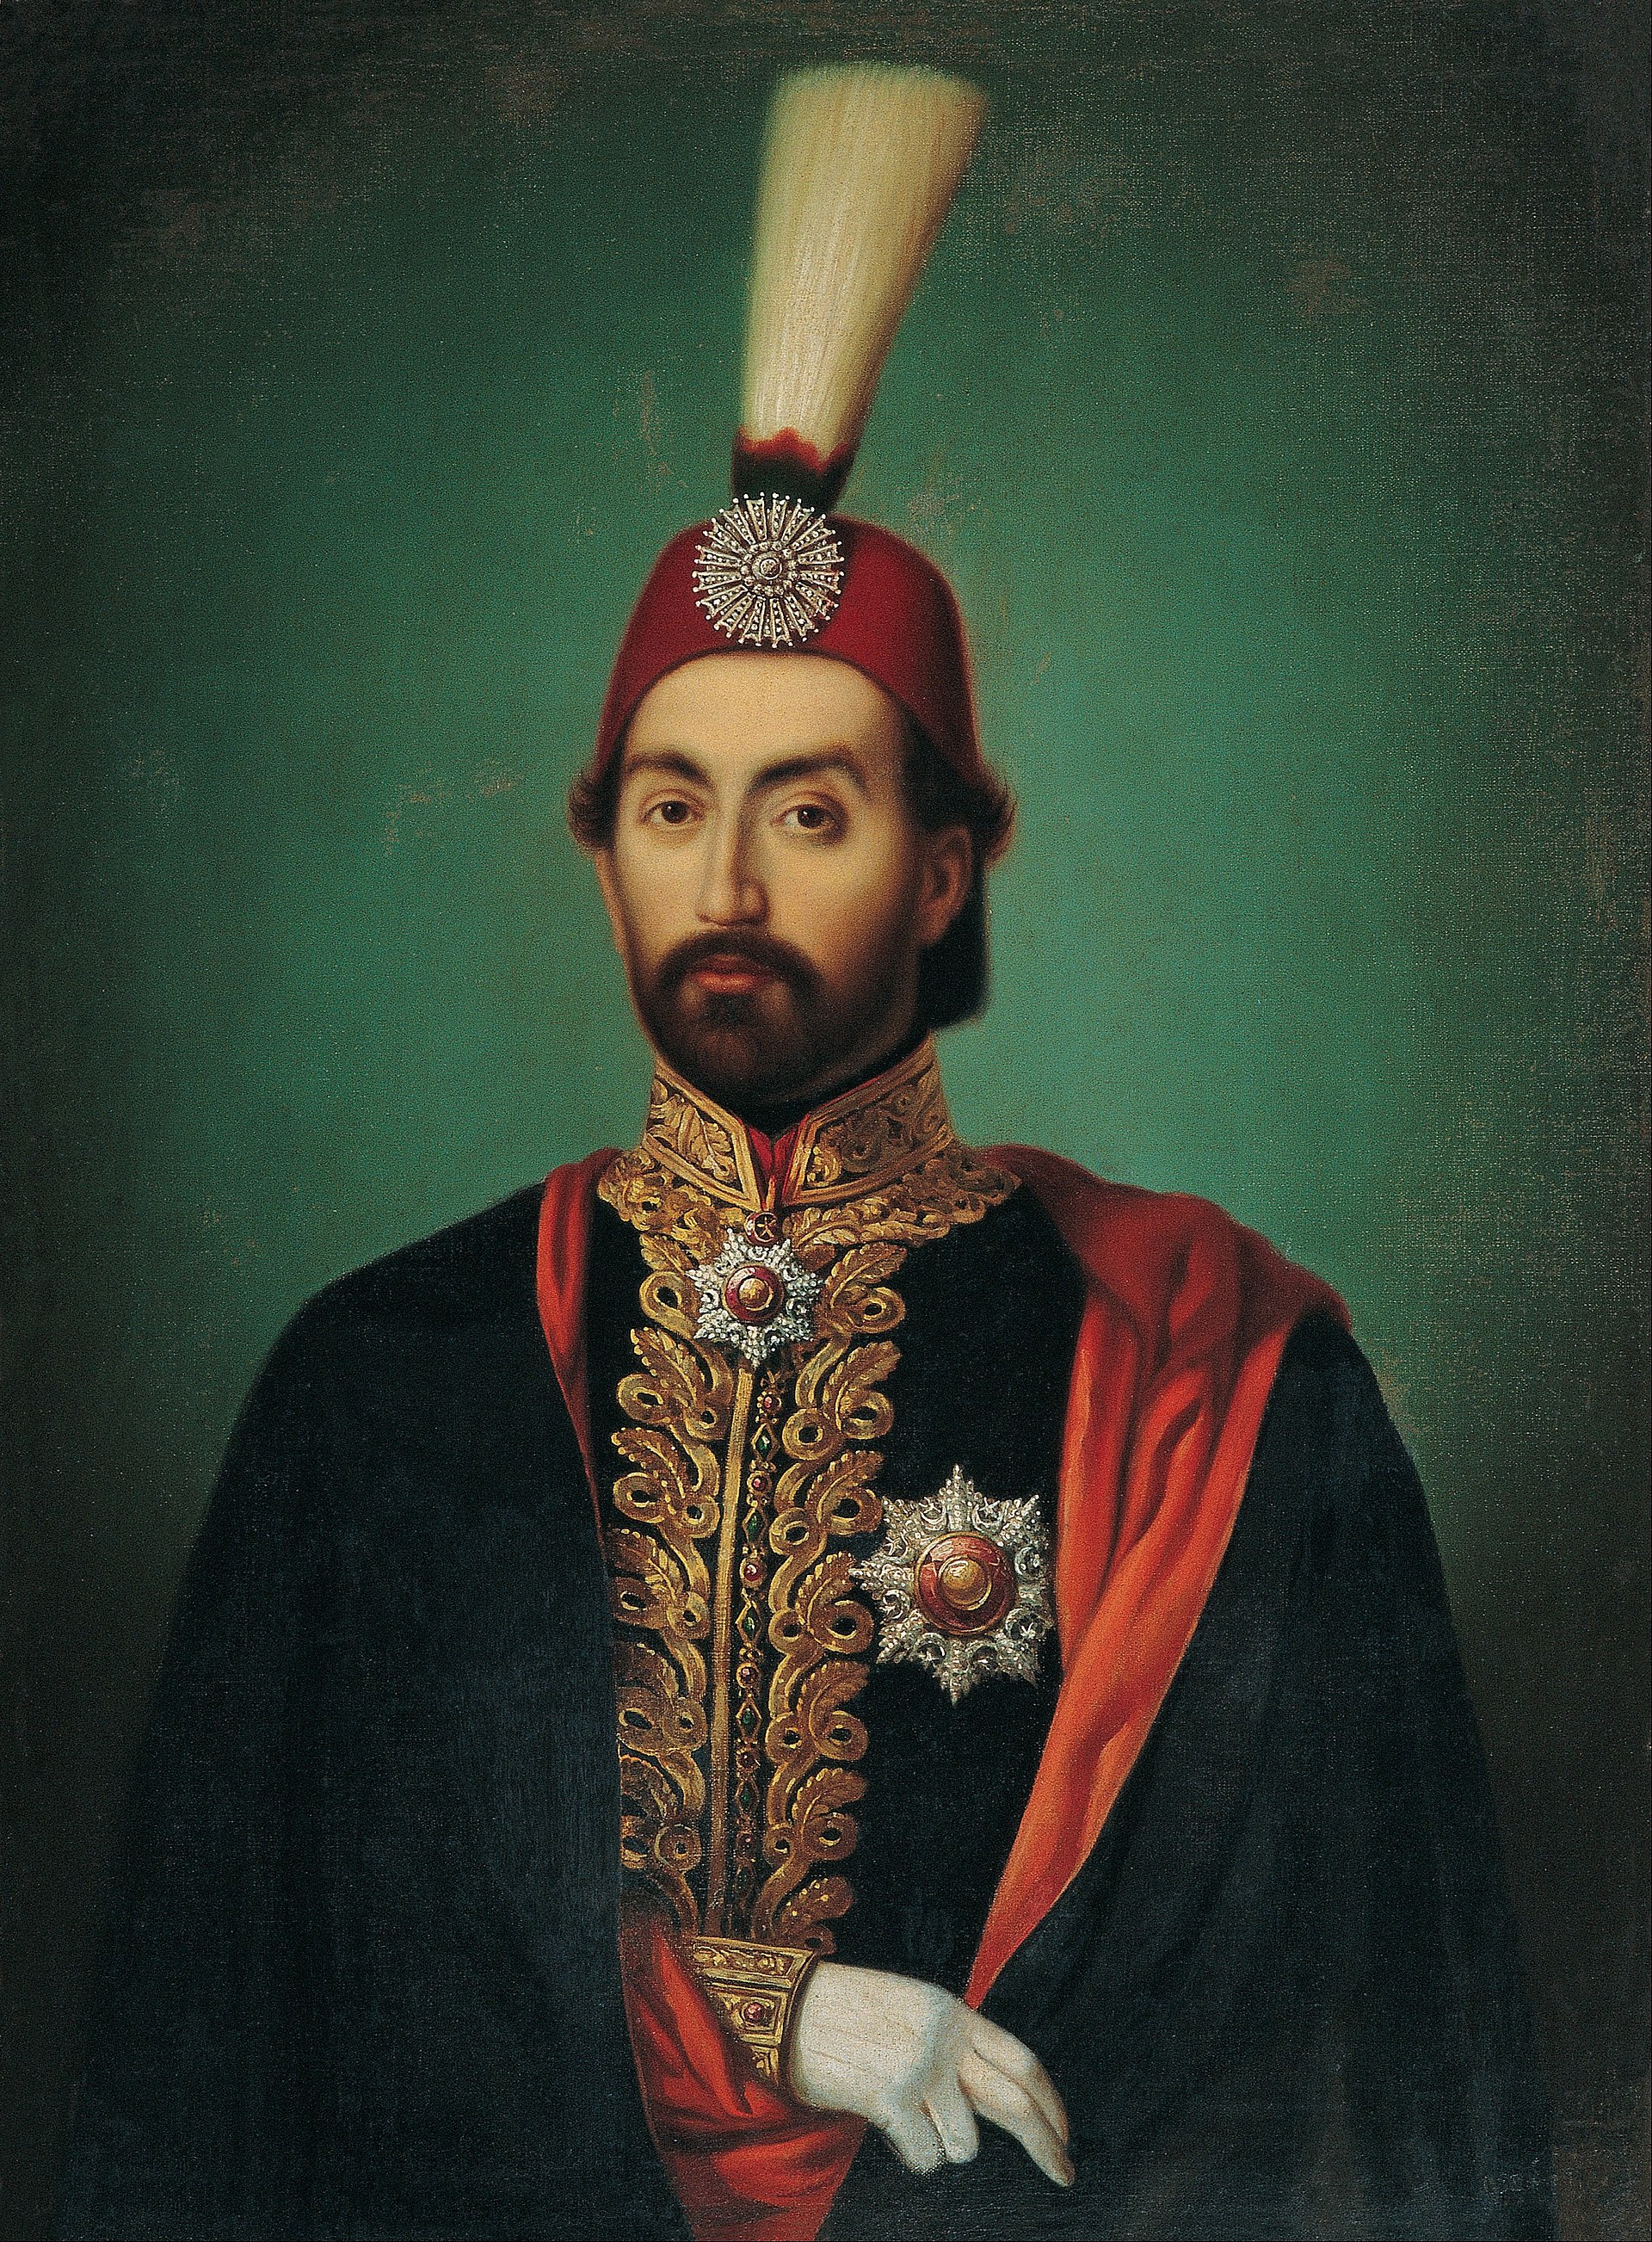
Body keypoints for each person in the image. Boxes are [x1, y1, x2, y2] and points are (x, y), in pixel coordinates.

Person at [59, 64, 1553, 2242]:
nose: (731, 880)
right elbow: (265, 1996)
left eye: (815, 809)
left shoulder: (1213, 1376)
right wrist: (758, 2019)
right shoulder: (376, 1380)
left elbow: (1354, 2037)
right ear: (604, 857)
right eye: (675, 806)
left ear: (945, 870)